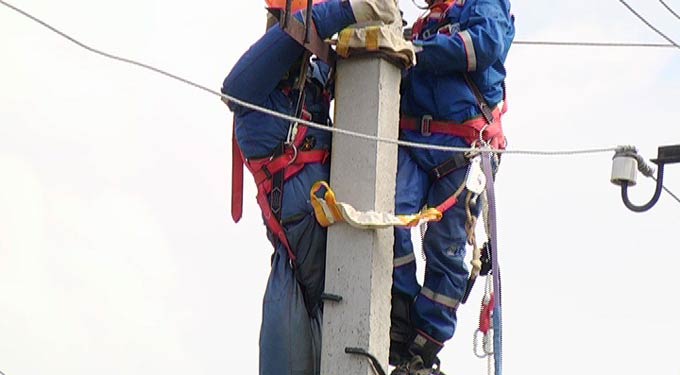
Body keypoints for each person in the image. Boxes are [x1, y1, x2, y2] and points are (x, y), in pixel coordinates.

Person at [221, 0, 398, 374]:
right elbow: (234, 87)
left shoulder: (312, 85)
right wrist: (349, 8)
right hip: (301, 271)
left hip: (334, 263)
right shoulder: (257, 103)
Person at [389, 0, 515, 373]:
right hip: (413, 142)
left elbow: (484, 45)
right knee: (389, 219)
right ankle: (399, 316)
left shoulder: (484, 5)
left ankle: (425, 341)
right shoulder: (425, 21)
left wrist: (416, 51)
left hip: (463, 147)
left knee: (447, 249)